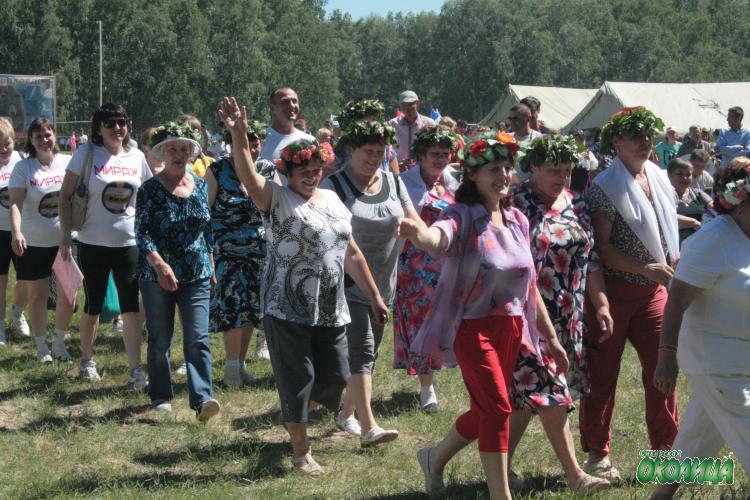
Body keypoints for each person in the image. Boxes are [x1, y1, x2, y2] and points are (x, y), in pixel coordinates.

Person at [220, 96, 388, 475]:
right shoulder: (276, 198)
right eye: (303, 171)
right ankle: (300, 451)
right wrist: (238, 134)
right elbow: (248, 176)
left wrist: (374, 295)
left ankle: (296, 412)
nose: (311, 176)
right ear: (289, 173)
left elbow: (352, 253)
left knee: (337, 375)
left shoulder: (330, 198)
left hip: (331, 306)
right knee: (299, 379)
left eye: (316, 169)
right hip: (286, 306)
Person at [396, 130, 569, 499]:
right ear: (473, 174)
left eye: (507, 168)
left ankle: (433, 458)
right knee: (498, 408)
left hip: (512, 328)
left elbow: (530, 286)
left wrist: (550, 337)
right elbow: (438, 239)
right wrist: (418, 234)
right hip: (472, 328)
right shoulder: (462, 214)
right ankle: (500, 494)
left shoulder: (518, 220)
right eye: (494, 168)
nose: (503, 175)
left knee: (487, 409)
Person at [507, 135, 612, 494]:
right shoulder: (515, 203)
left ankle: (488, 463)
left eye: (566, 170)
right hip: (529, 316)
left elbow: (591, 259)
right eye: (553, 170)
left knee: (528, 396)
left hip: (570, 314)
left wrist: (600, 303)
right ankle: (575, 476)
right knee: (547, 392)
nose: (561, 177)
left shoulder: (578, 204)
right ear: (533, 166)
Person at [581, 106, 680, 480]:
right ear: (615, 142)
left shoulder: (658, 176)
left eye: (647, 135)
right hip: (616, 291)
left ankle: (667, 454)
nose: (644, 142)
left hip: (654, 293)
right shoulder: (604, 188)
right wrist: (644, 268)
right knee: (603, 374)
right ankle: (597, 453)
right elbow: (602, 248)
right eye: (634, 136)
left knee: (662, 369)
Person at [651, 160, 750, 499]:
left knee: (695, 440)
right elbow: (676, 300)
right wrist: (666, 356)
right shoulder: (714, 240)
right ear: (738, 203)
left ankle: (660, 496)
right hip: (718, 364)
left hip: (741, 360)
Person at [320, 120, 414, 446]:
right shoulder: (333, 186)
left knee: (367, 358)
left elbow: (413, 220)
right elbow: (336, 238)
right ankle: (368, 427)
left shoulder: (393, 181)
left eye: (379, 151)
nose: (374, 157)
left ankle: (345, 414)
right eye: (367, 151)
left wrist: (423, 234)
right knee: (362, 351)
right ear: (350, 150)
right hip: (346, 283)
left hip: (385, 284)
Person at [59, 103, 151, 385]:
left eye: (121, 122)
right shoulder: (85, 154)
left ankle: (135, 369)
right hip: (92, 243)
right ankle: (87, 360)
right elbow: (65, 196)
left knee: (131, 308)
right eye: (110, 123)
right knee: (94, 304)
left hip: (128, 243)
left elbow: (148, 196)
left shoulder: (137, 157)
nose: (117, 129)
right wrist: (64, 237)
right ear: (98, 128)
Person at [135, 121, 220, 421]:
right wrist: (160, 265)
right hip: (158, 275)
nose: (179, 153)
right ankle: (160, 393)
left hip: (196, 272)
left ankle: (202, 399)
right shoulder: (149, 190)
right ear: (161, 152)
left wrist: (210, 263)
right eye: (172, 148)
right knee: (160, 339)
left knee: (198, 337)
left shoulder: (198, 185)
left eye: (184, 148)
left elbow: (207, 228)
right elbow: (142, 233)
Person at [204, 119, 278, 386]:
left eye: (254, 142)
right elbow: (204, 213)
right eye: (243, 141)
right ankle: (231, 368)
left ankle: (240, 364)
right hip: (227, 252)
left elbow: (277, 209)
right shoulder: (217, 170)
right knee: (233, 307)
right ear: (231, 143)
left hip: (261, 251)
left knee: (251, 309)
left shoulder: (268, 170)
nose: (250, 147)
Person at [393, 125, 460, 412]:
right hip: (414, 266)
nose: (441, 159)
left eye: (445, 154)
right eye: (435, 154)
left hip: (448, 265)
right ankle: (426, 386)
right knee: (420, 323)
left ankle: (441, 368)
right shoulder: (404, 183)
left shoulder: (453, 181)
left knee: (446, 323)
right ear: (421, 155)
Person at [9, 118, 74, 363]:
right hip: (34, 242)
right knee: (37, 295)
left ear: (55, 135)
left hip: (64, 242)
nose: (44, 139)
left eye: (48, 134)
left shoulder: (68, 162)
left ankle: (59, 343)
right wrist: (17, 233)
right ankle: (41, 347)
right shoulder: (24, 168)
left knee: (69, 295)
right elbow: (15, 204)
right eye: (38, 136)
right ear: (31, 141)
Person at [0, 117, 30, 343]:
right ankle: (0, 326)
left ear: (14, 140)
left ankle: (17, 312)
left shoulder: (23, 161)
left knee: (28, 279)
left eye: (7, 143)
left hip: (22, 231)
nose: (3, 148)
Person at [332, 99, 399, 175]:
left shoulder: (386, 148)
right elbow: (325, 182)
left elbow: (395, 180)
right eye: (363, 121)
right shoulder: (339, 151)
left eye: (374, 120)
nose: (371, 125)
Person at [666, 158, 711, 244]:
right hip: (674, 245)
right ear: (669, 175)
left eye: (688, 174)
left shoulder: (698, 193)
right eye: (679, 174)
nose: (685, 178)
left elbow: (714, 208)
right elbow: (666, 218)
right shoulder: (663, 195)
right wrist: (694, 223)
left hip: (700, 243)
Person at [388, 90, 436, 163]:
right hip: (398, 168)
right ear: (400, 106)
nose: (408, 110)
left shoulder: (429, 123)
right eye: (404, 106)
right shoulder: (392, 124)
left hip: (421, 168)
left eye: (411, 106)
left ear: (417, 103)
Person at [715, 106, 750, 170]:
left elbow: (748, 153)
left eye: (730, 116)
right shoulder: (724, 132)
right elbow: (719, 150)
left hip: (741, 172)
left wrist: (726, 150)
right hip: (725, 172)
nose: (727, 119)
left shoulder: (748, 134)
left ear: (739, 118)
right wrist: (737, 148)